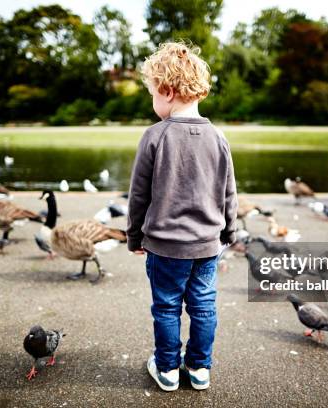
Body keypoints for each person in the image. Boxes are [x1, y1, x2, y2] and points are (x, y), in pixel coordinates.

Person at [127, 41, 238, 392]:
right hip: (207, 245)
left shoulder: (154, 137)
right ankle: (200, 368)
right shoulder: (219, 138)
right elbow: (228, 193)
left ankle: (168, 369)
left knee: (167, 307)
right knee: (203, 306)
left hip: (165, 247)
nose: (152, 103)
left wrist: (134, 237)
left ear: (167, 90)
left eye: (152, 95)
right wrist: (229, 233)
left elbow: (138, 196)